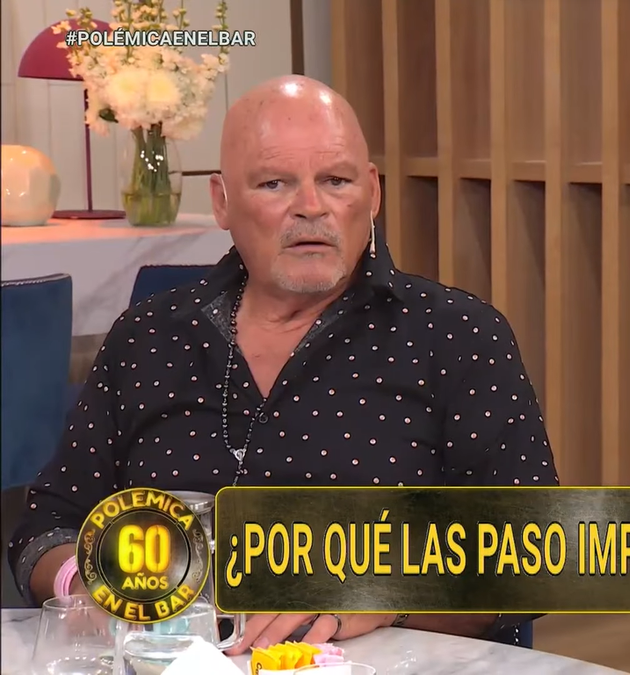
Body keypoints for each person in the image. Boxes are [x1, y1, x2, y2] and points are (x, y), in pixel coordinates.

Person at [8, 75, 557, 652]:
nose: (311, 207)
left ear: (371, 193)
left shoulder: (458, 335)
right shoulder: (147, 336)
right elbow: (47, 529)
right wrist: (88, 587)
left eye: (336, 180)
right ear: (221, 201)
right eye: (275, 183)